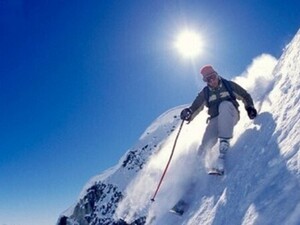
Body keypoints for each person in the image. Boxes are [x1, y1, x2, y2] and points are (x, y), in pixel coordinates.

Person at [180, 65, 257, 175]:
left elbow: (245, 95)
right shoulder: (205, 93)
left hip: (231, 114)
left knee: (224, 105)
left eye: (213, 76)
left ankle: (221, 157)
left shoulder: (228, 85)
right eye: (208, 79)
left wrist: (249, 107)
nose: (212, 81)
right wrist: (189, 113)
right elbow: (196, 106)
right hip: (215, 120)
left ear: (216, 74)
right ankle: (196, 172)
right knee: (206, 143)